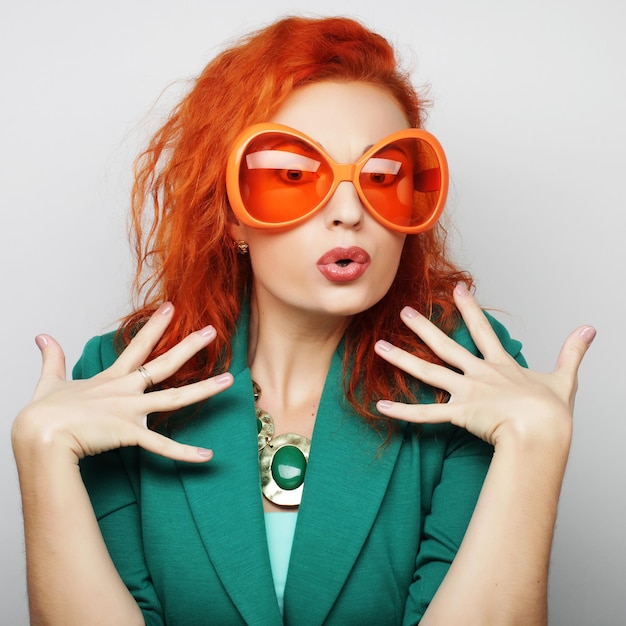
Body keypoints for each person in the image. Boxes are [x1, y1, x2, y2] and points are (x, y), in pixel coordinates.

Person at [11, 15, 595, 626]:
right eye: (292, 175)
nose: (349, 211)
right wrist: (43, 457)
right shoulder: (124, 375)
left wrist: (535, 447)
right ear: (230, 214)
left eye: (383, 176)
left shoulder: (469, 370)